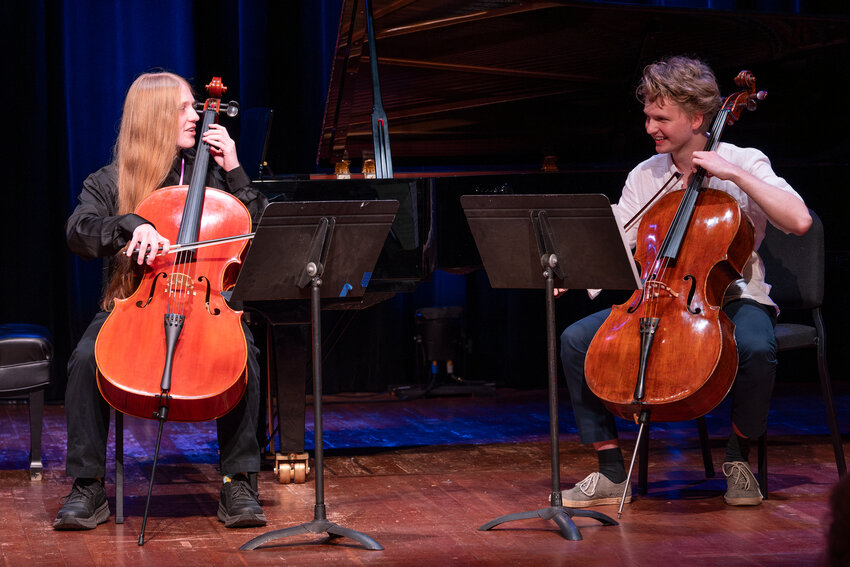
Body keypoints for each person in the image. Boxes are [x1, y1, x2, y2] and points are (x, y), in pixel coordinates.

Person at [559, 55, 812, 508]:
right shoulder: (646, 175)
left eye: (661, 118)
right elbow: (616, 238)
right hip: (657, 296)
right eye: (648, 116)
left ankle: (738, 458)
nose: (650, 127)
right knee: (576, 340)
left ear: (697, 118)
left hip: (730, 294)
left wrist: (732, 174)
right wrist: (574, 269)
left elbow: (798, 220)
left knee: (757, 347)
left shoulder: (743, 160)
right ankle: (611, 471)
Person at [55, 72, 269, 530]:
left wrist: (233, 166)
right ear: (155, 117)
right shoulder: (111, 179)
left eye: (197, 106)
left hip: (205, 303)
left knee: (244, 356)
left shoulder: (212, 176)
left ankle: (239, 482)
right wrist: (131, 224)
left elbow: (263, 230)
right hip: (138, 300)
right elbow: (79, 230)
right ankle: (87, 487)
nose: (197, 117)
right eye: (186, 108)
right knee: (85, 359)